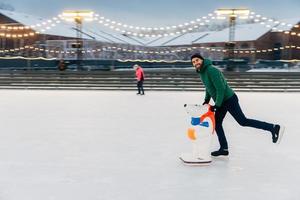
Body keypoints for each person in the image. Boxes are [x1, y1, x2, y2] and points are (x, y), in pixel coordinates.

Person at [190, 53, 284, 157]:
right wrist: (206, 100)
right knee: (217, 124)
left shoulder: (211, 70)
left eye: (197, 60)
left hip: (229, 99)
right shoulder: (202, 72)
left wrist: (217, 105)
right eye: (193, 62)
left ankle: (273, 128)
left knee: (243, 121)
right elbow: (208, 87)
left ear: (202, 60)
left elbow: (220, 88)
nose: (196, 63)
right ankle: (224, 148)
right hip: (221, 101)